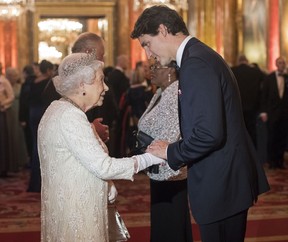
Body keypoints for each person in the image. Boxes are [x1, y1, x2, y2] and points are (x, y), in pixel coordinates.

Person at [131, 5, 270, 242]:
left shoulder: (196, 63)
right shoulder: (199, 55)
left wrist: (169, 151)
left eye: (146, 43)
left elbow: (209, 134)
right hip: (225, 180)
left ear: (163, 30)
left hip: (221, 184)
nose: (148, 54)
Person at [37, 51, 163, 241]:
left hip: (70, 207)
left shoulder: (59, 108)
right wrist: (153, 157)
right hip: (79, 214)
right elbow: (104, 167)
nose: (105, 87)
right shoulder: (70, 116)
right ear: (82, 85)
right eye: (100, 80)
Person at [138, 60, 192, 242]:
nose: (150, 71)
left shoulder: (172, 94)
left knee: (170, 225)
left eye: (155, 67)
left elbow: (171, 134)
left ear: (170, 70)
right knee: (166, 222)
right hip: (159, 166)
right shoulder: (162, 92)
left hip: (169, 170)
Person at [27, 59, 54, 192]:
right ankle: (42, 183)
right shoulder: (50, 83)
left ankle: (35, 182)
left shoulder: (32, 82)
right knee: (44, 146)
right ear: (48, 70)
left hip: (33, 113)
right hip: (43, 113)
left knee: (35, 146)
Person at [231, 54, 266, 147]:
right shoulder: (256, 72)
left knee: (238, 133)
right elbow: (266, 79)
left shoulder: (232, 70)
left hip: (236, 108)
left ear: (238, 61)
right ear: (247, 61)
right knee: (252, 132)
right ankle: (253, 156)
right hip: (252, 108)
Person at [261, 56, 288, 169]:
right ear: (276, 64)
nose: (282, 65)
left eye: (283, 63)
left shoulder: (287, 77)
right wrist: (263, 112)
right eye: (279, 63)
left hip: (285, 114)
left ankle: (280, 162)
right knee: (272, 138)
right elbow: (263, 96)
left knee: (283, 138)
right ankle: (271, 162)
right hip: (272, 113)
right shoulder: (269, 78)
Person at [0, 63, 15, 177]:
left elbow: (11, 96)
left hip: (2, 112)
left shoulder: (4, 81)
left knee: (2, 141)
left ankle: (3, 167)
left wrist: (2, 103)